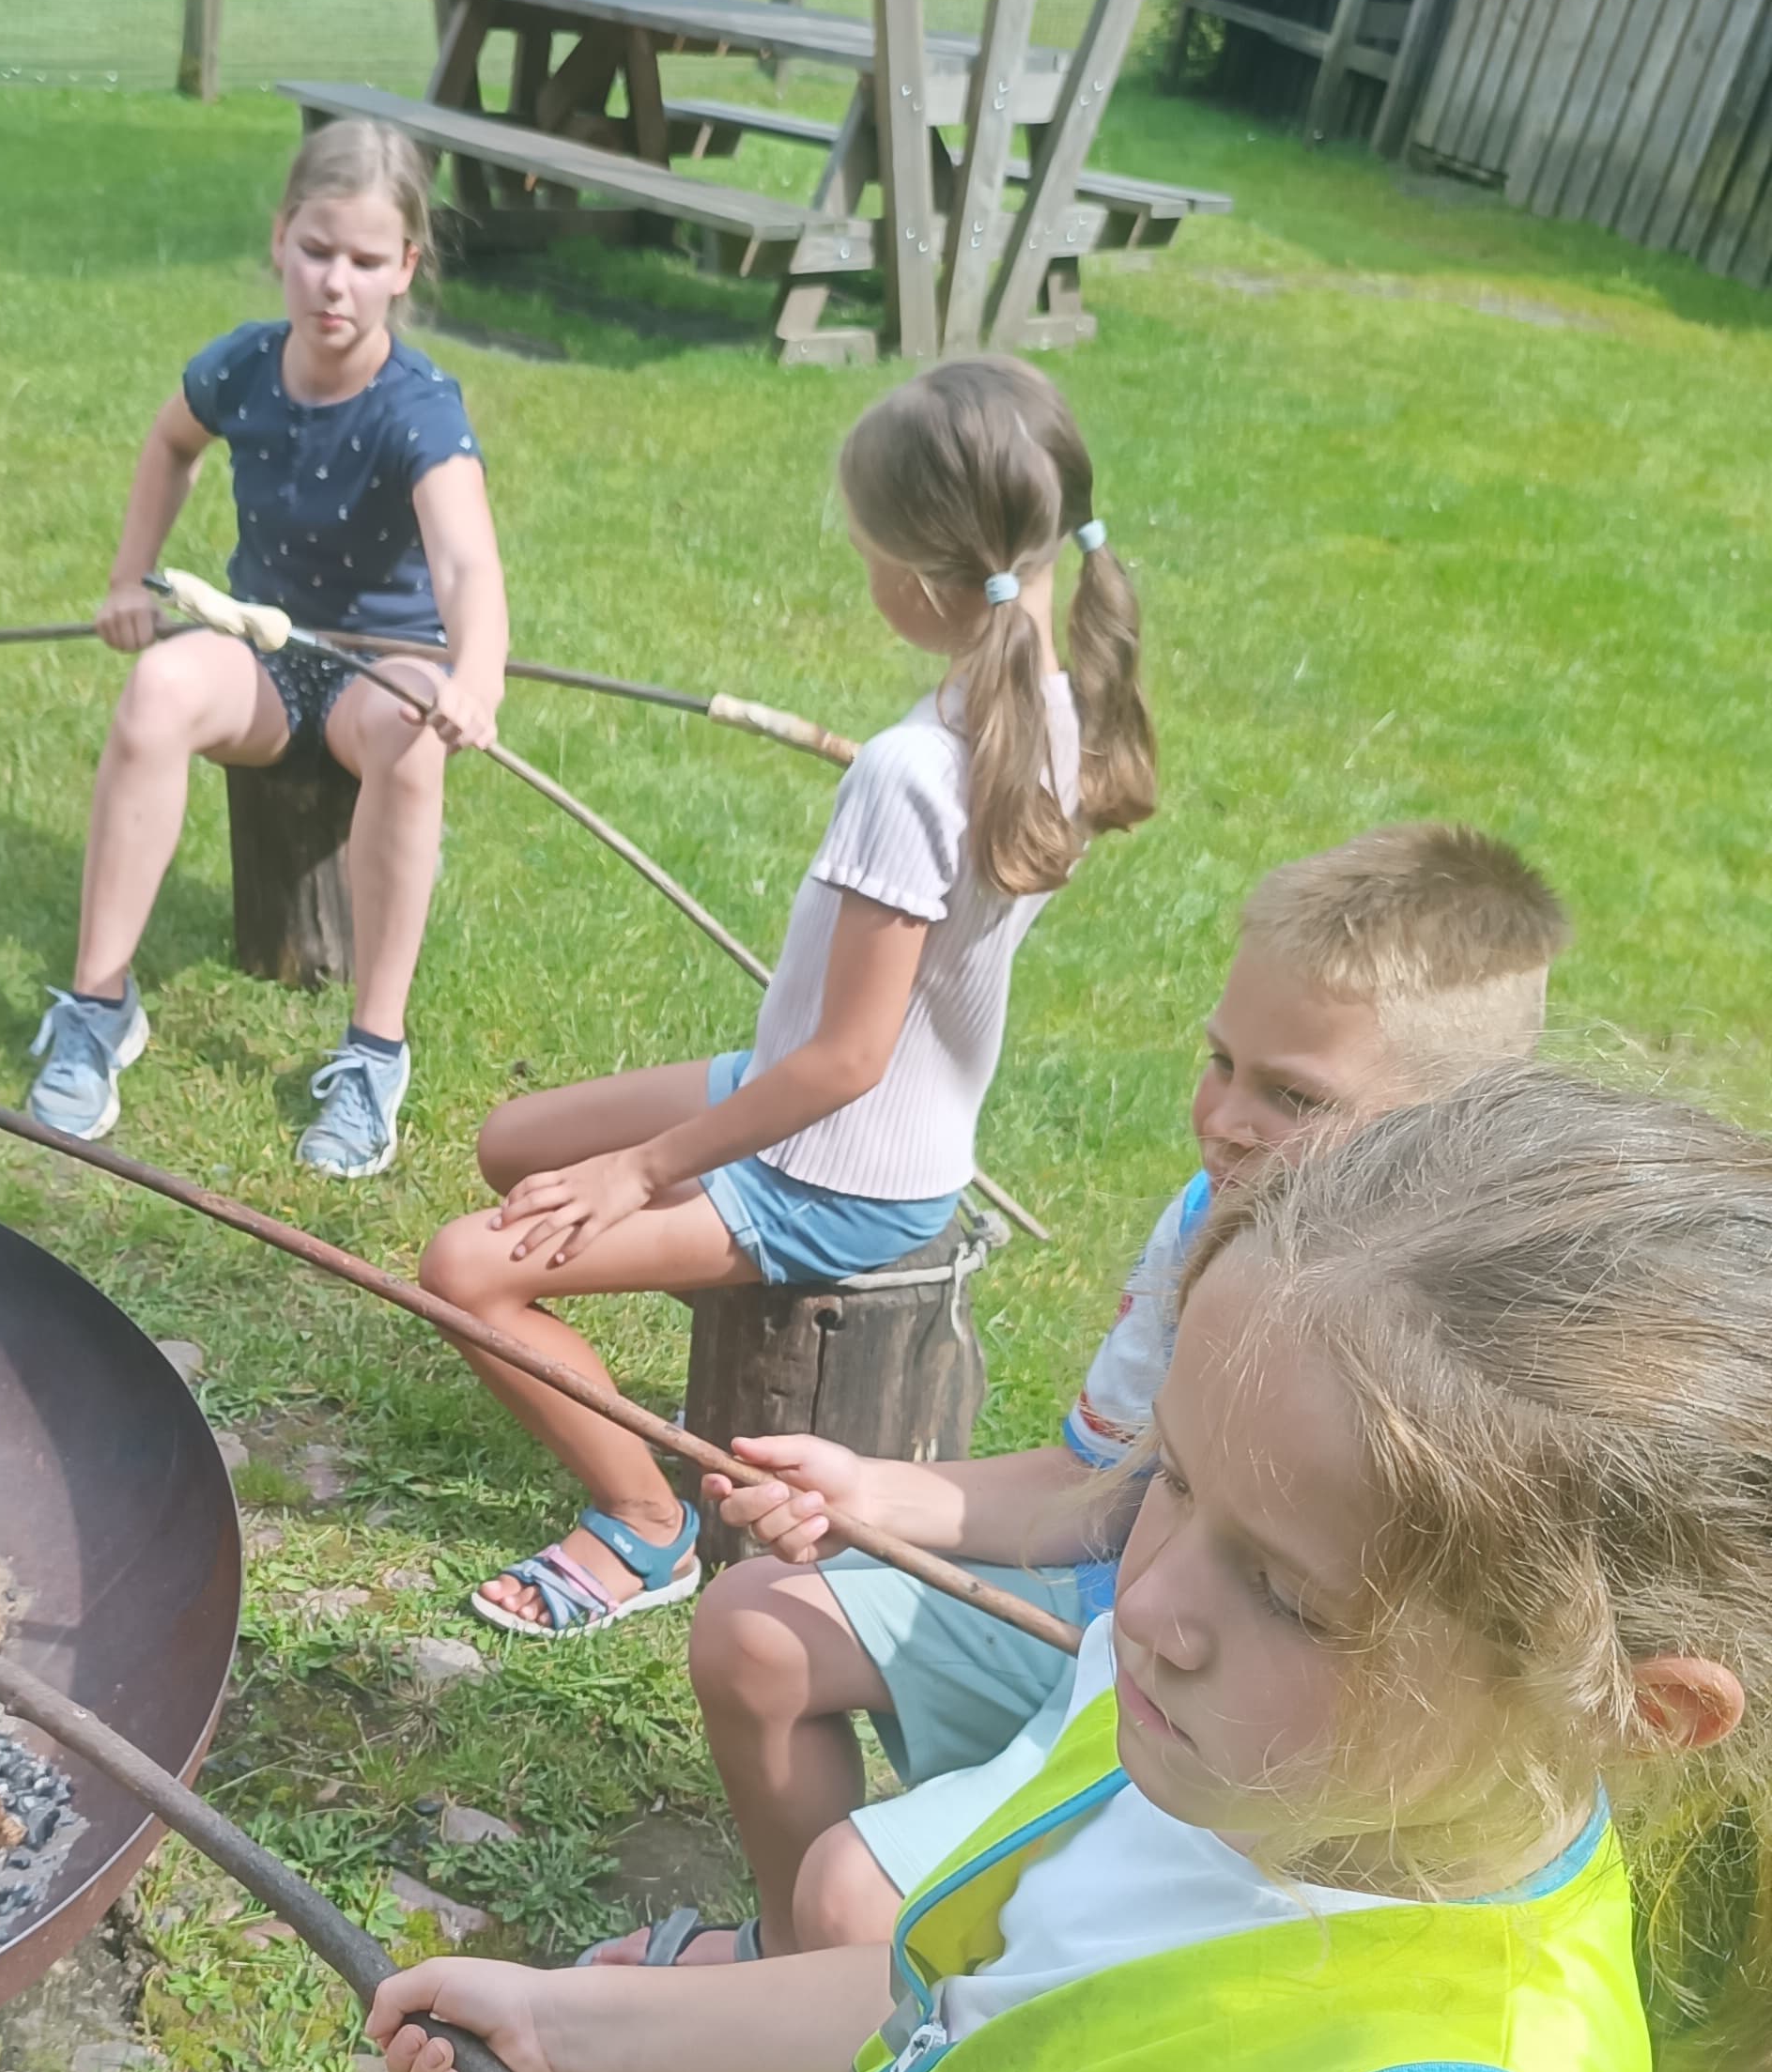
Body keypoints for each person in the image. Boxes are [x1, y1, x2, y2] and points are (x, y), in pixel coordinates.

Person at [372, 1063, 1772, 2072]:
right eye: (1175, 1478)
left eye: (1289, 1589)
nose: (1158, 1603)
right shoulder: (1232, 1749)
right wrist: (575, 2023)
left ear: (1635, 1706)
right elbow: (957, 2007)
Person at [609, 822, 1572, 1965]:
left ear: (1451, 1125)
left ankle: (880, 2034)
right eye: (1220, 1062)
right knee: (752, 1629)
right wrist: (864, 1490)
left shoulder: (1476, 1355)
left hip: (1245, 1716)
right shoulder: (1203, 1221)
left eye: (1292, 1098)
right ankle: (787, 1973)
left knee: (859, 1901)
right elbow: (1093, 1486)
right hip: (1109, 1609)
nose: (1223, 1118)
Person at [428, 357, 1151, 1640]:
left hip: (834, 1173)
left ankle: (645, 1529)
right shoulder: (1059, 704)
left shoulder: (914, 771)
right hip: (828, 1110)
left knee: (465, 1271)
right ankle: (664, 1289)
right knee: (513, 1143)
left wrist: (644, 1173)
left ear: (918, 581)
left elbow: (845, 1061)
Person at [25, 119, 507, 1180]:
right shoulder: (244, 365)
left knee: (412, 742)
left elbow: (468, 564)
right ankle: (98, 1002)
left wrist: (474, 678)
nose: (337, 282)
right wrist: (128, 577)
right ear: (282, 239)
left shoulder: (418, 407)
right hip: (265, 652)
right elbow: (170, 442)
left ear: (405, 271)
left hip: (385, 665)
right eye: (319, 250)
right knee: (156, 690)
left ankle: (374, 1051)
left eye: (367, 262)